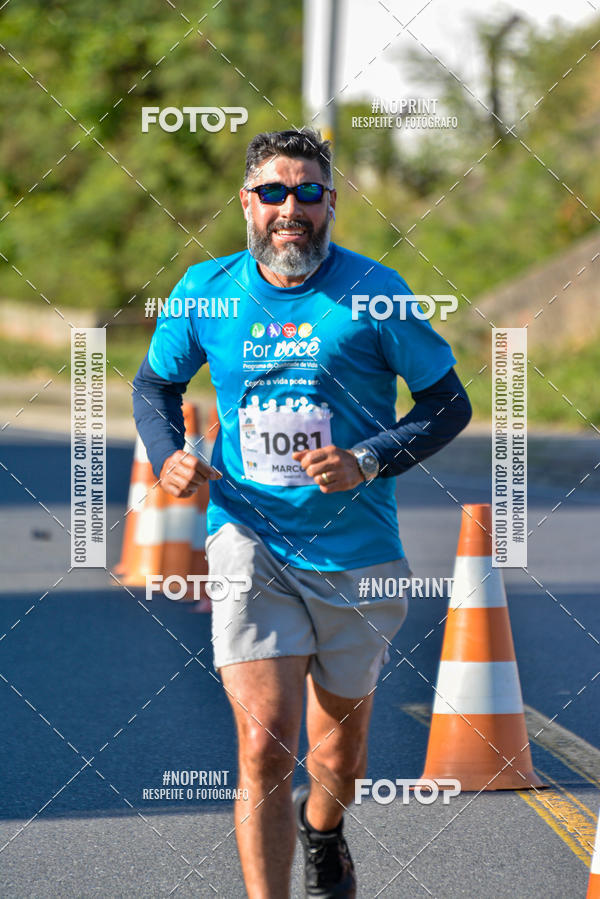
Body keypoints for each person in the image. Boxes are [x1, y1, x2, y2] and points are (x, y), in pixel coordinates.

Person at [132, 127, 472, 898]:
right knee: (262, 744)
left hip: (357, 552)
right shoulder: (205, 289)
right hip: (248, 537)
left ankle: (325, 829)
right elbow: (153, 386)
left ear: (330, 203)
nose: (292, 208)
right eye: (275, 192)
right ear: (246, 202)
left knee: (337, 757)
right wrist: (168, 453)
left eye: (308, 192)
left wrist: (369, 459)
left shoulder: (374, 293)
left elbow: (449, 404)